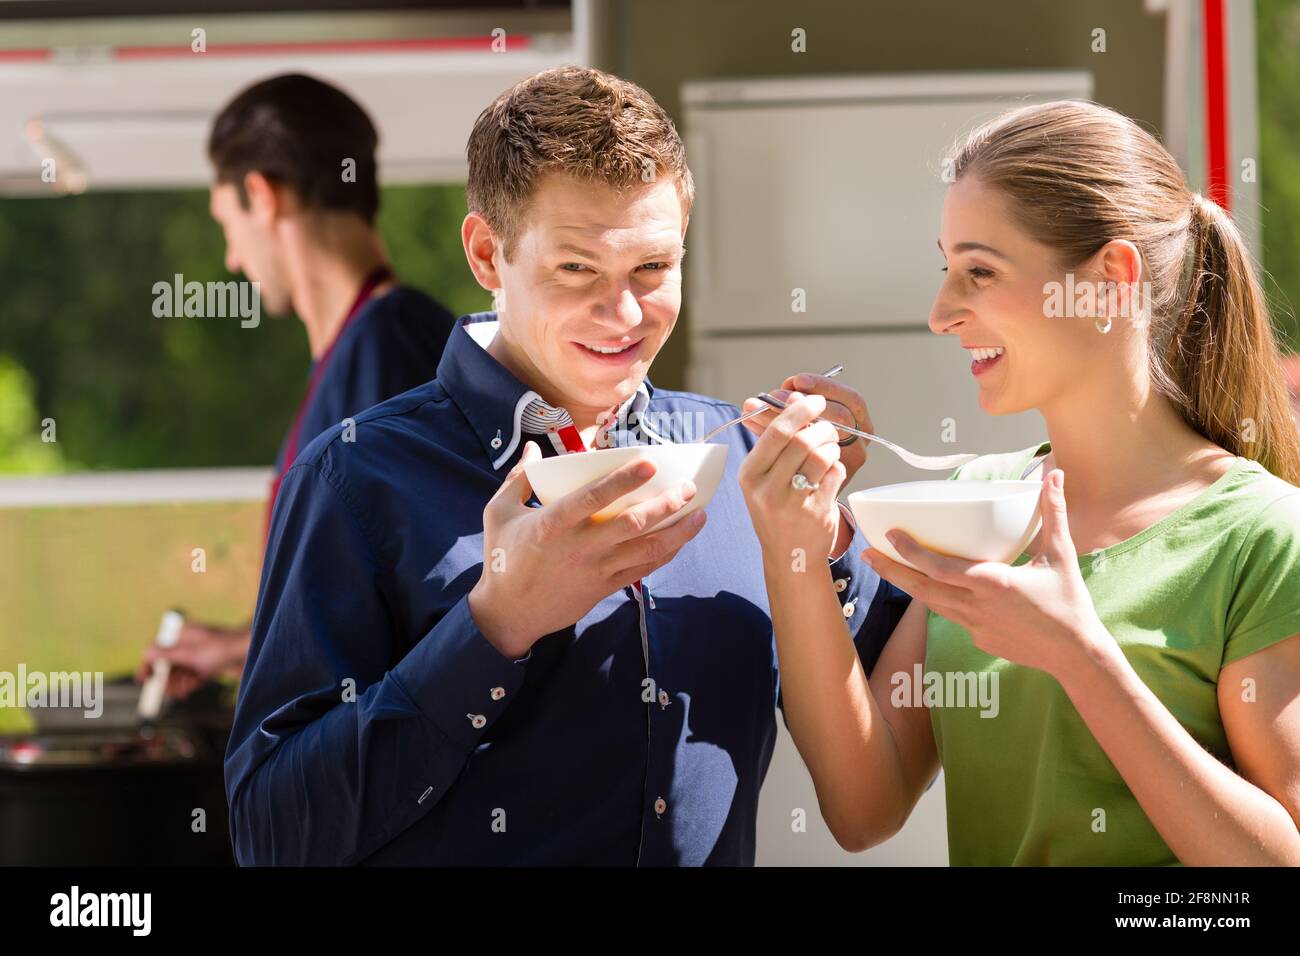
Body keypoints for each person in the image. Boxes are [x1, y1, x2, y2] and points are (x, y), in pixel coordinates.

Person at [223, 65, 910, 865]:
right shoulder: (355, 480)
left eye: (652, 269)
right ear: (487, 253)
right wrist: (496, 624)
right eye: (577, 270)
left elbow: (871, 776)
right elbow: (269, 837)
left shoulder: (743, 456)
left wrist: (826, 549)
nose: (622, 316)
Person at [742, 100, 1300, 865]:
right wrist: (792, 547)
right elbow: (861, 806)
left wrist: (1081, 656)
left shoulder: (1265, 534)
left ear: (1109, 279)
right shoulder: (979, 502)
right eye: (948, 270)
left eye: (980, 272)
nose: (942, 314)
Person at [135, 74, 457, 699]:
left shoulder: (389, 345)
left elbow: (413, 612)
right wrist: (237, 646)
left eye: (227, 222)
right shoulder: (360, 349)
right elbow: (349, 596)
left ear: (263, 196)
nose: (231, 259)